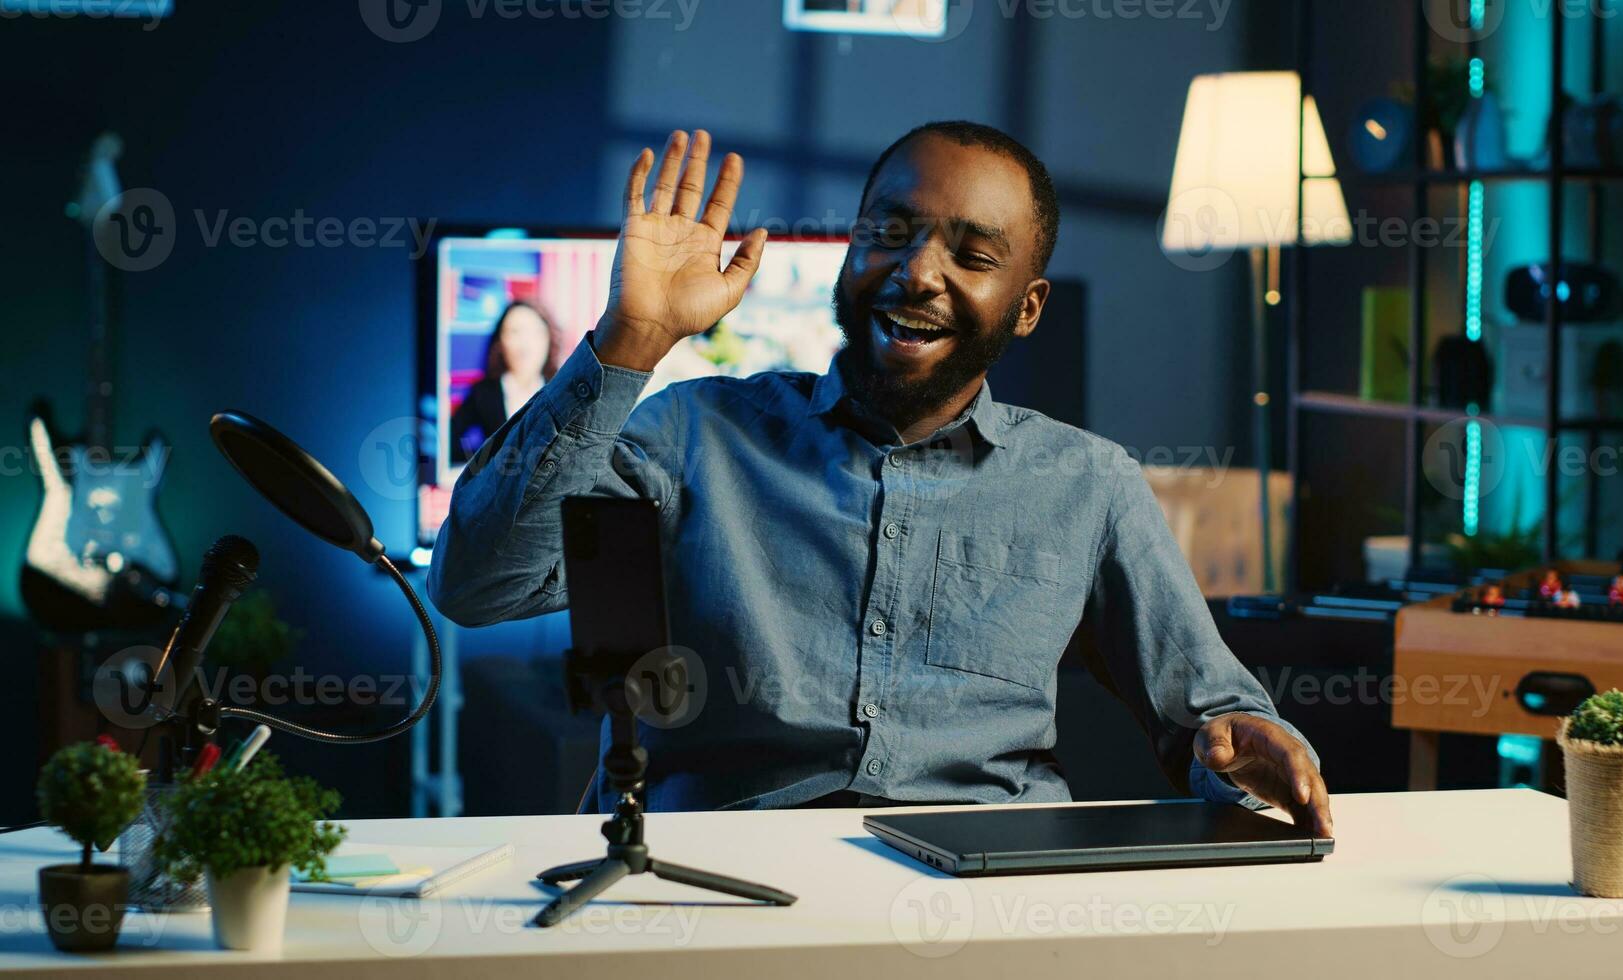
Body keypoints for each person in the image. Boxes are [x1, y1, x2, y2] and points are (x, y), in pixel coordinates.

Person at [430, 125, 1331, 837]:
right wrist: (628, 342)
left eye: (972, 256)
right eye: (888, 233)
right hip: (718, 883)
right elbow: (477, 584)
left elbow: (1207, 710)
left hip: (985, 890)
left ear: (1027, 306)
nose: (917, 271)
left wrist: (1243, 743)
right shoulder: (690, 433)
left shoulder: (1087, 483)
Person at [450, 300, 562, 460]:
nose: (525, 344)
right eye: (514, 332)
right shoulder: (484, 392)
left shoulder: (560, 391)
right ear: (500, 342)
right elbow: (449, 440)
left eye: (535, 332)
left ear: (548, 339)